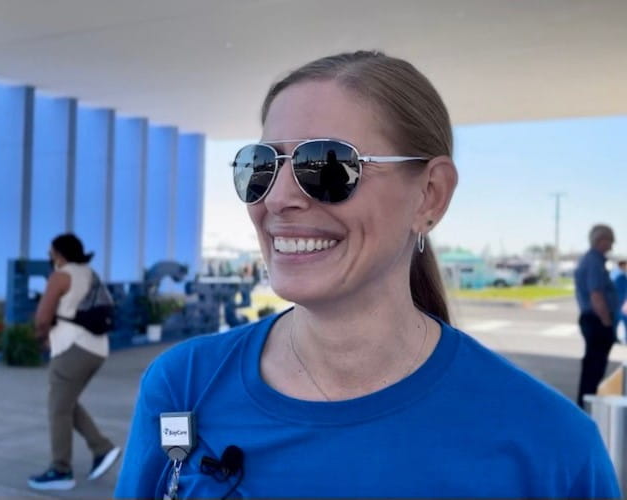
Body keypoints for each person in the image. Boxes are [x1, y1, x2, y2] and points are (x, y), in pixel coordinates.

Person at [115, 51, 619, 498]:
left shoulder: (551, 446)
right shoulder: (184, 386)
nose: (279, 197)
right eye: (260, 166)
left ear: (430, 195)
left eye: (327, 164)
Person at [28, 233, 121, 490]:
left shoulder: (60, 276)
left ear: (59, 254)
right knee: (64, 403)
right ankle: (101, 448)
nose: (50, 257)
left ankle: (61, 470)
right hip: (96, 348)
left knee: (57, 409)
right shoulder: (89, 273)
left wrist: (40, 338)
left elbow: (42, 317)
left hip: (72, 349)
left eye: (51, 253)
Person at [574, 225, 619, 408]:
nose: (612, 245)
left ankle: (586, 403)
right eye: (610, 240)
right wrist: (606, 321)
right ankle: (587, 405)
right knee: (594, 367)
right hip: (596, 321)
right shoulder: (594, 261)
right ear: (602, 240)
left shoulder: (592, 260)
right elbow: (596, 294)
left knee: (592, 366)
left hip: (593, 320)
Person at [612, 260, 627, 340]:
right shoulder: (619, 276)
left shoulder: (620, 275)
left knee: (618, 321)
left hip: (620, 302)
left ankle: (615, 337)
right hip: (619, 303)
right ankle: (614, 337)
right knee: (617, 321)